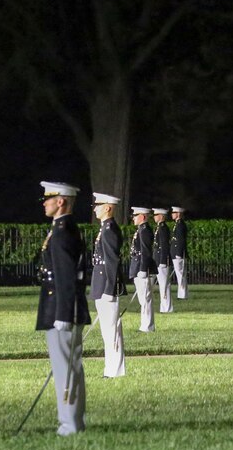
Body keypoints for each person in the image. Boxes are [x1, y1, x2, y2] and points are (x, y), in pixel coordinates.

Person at [36, 181, 90, 436]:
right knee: (67, 365)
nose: (44, 203)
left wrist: (63, 315)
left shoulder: (62, 231)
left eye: (49, 199)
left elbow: (67, 277)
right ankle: (70, 419)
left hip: (62, 310)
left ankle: (70, 422)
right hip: (60, 307)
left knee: (66, 367)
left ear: (61, 202)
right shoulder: (62, 229)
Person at [90, 193, 126, 378]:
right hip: (101, 284)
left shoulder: (109, 229)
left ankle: (114, 371)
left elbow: (112, 261)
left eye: (98, 205)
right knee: (108, 332)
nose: (95, 208)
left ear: (107, 208)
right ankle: (110, 369)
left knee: (111, 332)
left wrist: (109, 290)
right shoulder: (105, 228)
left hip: (106, 286)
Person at [129, 206, 155, 332]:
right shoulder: (141, 229)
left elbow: (145, 251)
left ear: (143, 217)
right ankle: (145, 324)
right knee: (143, 299)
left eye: (135, 215)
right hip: (138, 266)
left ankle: (148, 326)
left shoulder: (144, 230)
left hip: (143, 268)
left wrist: (143, 269)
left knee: (145, 299)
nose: (133, 218)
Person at [153, 208, 173, 313]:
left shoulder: (163, 228)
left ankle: (167, 308)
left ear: (161, 216)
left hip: (162, 261)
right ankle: (164, 307)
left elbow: (164, 246)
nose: (154, 217)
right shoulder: (159, 227)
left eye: (156, 215)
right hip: (158, 260)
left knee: (164, 285)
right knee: (162, 285)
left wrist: (163, 261)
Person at [170, 206, 188, 299]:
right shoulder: (178, 224)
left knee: (180, 274)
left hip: (178, 252)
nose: (172, 214)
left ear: (178, 214)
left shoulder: (180, 224)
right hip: (176, 252)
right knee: (179, 273)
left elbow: (180, 240)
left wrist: (178, 253)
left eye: (174, 213)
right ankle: (182, 293)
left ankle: (182, 294)